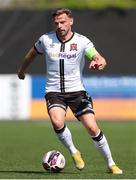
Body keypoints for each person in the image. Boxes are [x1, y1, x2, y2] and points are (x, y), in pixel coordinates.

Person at [18, 8, 122, 174]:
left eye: (63, 22)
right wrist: (22, 71)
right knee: (57, 122)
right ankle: (74, 151)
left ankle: (111, 164)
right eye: (57, 23)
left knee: (92, 128)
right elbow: (31, 55)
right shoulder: (46, 40)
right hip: (54, 91)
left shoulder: (81, 42)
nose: (60, 25)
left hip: (77, 92)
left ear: (71, 21)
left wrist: (99, 63)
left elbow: (99, 58)